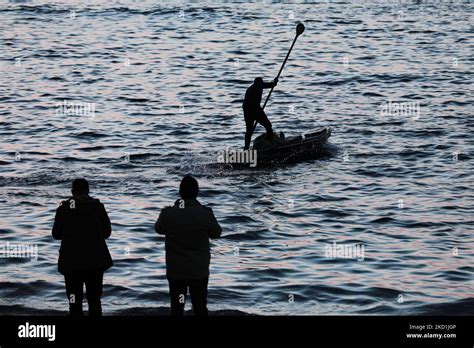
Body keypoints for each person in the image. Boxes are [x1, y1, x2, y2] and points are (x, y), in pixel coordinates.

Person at [155, 175, 222, 316]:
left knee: (177, 308)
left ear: (180, 193)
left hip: (176, 271)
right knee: (200, 307)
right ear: (197, 192)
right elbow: (217, 233)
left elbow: (158, 229)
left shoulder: (169, 214)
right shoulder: (205, 214)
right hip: (199, 271)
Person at [52, 178, 113, 317]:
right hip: (95, 261)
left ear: (72, 192)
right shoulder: (98, 207)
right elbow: (107, 233)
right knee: (95, 300)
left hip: (71, 262)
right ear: (88, 191)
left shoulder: (63, 209)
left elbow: (56, 234)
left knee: (74, 302)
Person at [243, 76, 278, 149]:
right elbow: (269, 85)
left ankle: (246, 148)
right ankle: (272, 143)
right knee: (268, 125)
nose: (262, 84)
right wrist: (274, 82)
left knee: (249, 131)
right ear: (258, 83)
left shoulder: (250, 88)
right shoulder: (258, 86)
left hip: (247, 112)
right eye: (261, 83)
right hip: (255, 111)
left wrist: (274, 83)